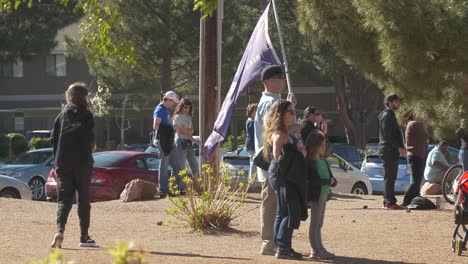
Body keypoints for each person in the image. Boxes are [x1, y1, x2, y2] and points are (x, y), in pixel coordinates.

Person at [254, 65, 297, 255]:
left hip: (272, 161)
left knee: (275, 203)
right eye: (280, 77)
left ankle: (273, 242)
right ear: (270, 80)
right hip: (273, 161)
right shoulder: (270, 102)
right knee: (272, 203)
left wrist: (289, 107)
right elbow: (275, 130)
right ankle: (269, 243)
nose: (283, 81)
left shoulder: (273, 101)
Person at [50, 82, 96, 248]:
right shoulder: (87, 115)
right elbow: (90, 140)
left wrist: (57, 162)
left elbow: (53, 140)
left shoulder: (61, 116)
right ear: (84, 97)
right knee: (83, 198)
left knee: (64, 199)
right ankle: (84, 237)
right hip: (82, 162)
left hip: (63, 163)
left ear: (69, 96)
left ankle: (59, 231)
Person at [263, 100, 307, 260]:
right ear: (281, 114)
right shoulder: (280, 134)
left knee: (283, 212)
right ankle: (283, 247)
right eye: (290, 112)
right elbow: (277, 156)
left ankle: (280, 246)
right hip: (283, 175)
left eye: (294, 112)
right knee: (290, 212)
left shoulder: (285, 131)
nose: (294, 115)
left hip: (284, 175)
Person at [305, 130, 337, 259]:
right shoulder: (311, 162)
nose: (324, 147)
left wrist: (332, 181)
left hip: (324, 194)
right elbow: (314, 181)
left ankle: (320, 247)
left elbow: (329, 175)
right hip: (317, 195)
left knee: (320, 223)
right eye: (322, 145)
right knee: (315, 223)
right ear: (315, 145)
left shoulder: (322, 160)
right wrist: (327, 181)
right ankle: (315, 249)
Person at [378, 93, 406, 210]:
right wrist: (398, 147)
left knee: (390, 177)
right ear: (390, 102)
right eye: (396, 101)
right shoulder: (387, 115)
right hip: (389, 150)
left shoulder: (389, 115)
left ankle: (387, 201)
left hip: (390, 150)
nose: (398, 103)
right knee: (390, 177)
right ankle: (389, 202)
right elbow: (388, 135)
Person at [153, 91, 179, 198]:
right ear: (168, 100)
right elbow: (155, 125)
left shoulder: (165, 110)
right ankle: (163, 191)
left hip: (167, 140)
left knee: (176, 165)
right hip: (162, 140)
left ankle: (172, 188)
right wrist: (168, 129)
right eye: (173, 102)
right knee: (164, 166)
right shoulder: (159, 109)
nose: (174, 104)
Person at [401, 109, 428, 207]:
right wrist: (425, 125)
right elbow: (425, 137)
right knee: (416, 182)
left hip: (416, 154)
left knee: (417, 180)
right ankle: (405, 201)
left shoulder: (412, 124)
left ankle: (414, 200)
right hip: (416, 154)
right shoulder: (415, 124)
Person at [172, 98, 200, 192]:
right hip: (180, 142)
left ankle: (199, 186)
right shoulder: (177, 117)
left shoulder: (188, 117)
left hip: (188, 142)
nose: (187, 109)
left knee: (194, 165)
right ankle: (179, 188)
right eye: (185, 107)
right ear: (181, 106)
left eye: (189, 107)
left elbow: (191, 130)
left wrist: (186, 131)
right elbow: (182, 131)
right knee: (181, 167)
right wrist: (194, 140)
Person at [245, 103, 258, 179]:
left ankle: (253, 178)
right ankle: (252, 179)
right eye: (256, 110)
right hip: (252, 145)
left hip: (251, 144)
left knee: (253, 161)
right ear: (252, 111)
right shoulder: (251, 122)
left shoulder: (251, 121)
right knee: (253, 161)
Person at [456, 105, 468, 172]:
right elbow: (458, 132)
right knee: (466, 175)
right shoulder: (464, 122)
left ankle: (456, 182)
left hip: (464, 151)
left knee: (464, 174)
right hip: (465, 151)